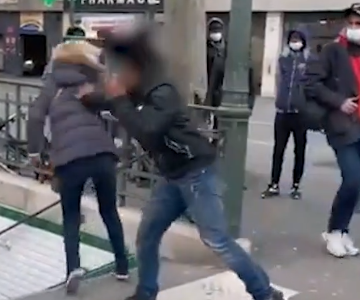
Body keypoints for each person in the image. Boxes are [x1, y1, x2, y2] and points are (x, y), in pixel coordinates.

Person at [80, 28, 285, 300]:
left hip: (196, 171)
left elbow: (147, 129)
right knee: (148, 235)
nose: (116, 77)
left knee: (217, 240)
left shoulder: (162, 92)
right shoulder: (135, 91)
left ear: (137, 70)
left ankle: (264, 292)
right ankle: (146, 292)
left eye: (122, 71)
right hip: (172, 175)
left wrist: (117, 97)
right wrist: (82, 96)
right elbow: (107, 100)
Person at [27, 41, 129, 294]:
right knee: (109, 210)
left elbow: (36, 117)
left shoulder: (52, 85)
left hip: (70, 159)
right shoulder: (90, 79)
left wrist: (33, 151)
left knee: (71, 215)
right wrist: (116, 140)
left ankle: (73, 268)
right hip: (102, 153)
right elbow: (112, 106)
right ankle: (123, 266)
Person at [303, 3, 360, 258]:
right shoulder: (333, 50)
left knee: (357, 184)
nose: (354, 28)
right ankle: (334, 231)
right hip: (343, 126)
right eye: (351, 23)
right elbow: (311, 83)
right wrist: (338, 102)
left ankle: (341, 230)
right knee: (353, 178)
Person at [261, 25, 313, 200]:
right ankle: (274, 184)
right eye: (292, 39)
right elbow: (278, 80)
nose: (295, 42)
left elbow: (313, 87)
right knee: (278, 150)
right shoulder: (283, 59)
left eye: (298, 39)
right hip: (282, 112)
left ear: (304, 42)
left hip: (300, 114)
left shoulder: (309, 61)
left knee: (299, 151)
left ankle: (295, 185)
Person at [205, 17, 255, 127]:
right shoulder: (205, 47)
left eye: (218, 30)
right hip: (214, 88)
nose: (216, 33)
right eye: (213, 30)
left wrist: (250, 104)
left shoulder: (231, 51)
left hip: (229, 93)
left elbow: (252, 84)